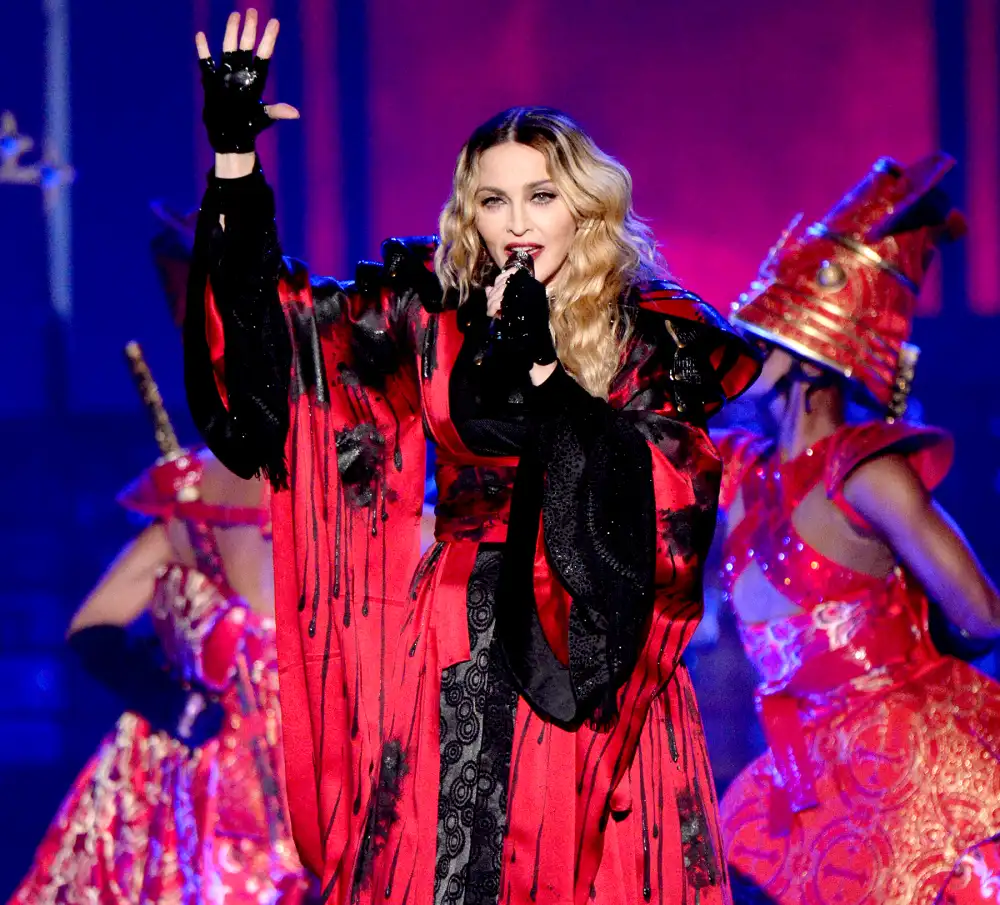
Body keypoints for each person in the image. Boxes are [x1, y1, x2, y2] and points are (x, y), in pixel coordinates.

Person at [184, 12, 760, 904]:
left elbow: (671, 507)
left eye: (541, 195)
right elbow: (276, 353)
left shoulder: (657, 334)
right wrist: (234, 166)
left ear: (586, 204)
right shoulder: (432, 310)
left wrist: (550, 382)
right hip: (458, 637)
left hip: (595, 656)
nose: (517, 221)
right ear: (470, 213)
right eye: (494, 199)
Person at [712, 154, 1000, 905]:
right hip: (805, 777)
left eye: (768, 333)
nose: (751, 344)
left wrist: (907, 638)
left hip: (908, 762)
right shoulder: (737, 472)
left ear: (811, 352)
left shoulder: (866, 471)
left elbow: (980, 612)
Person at [8, 216, 308, 905]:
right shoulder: (191, 504)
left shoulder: (361, 497)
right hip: (204, 796)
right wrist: (169, 701)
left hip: (321, 797)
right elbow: (92, 627)